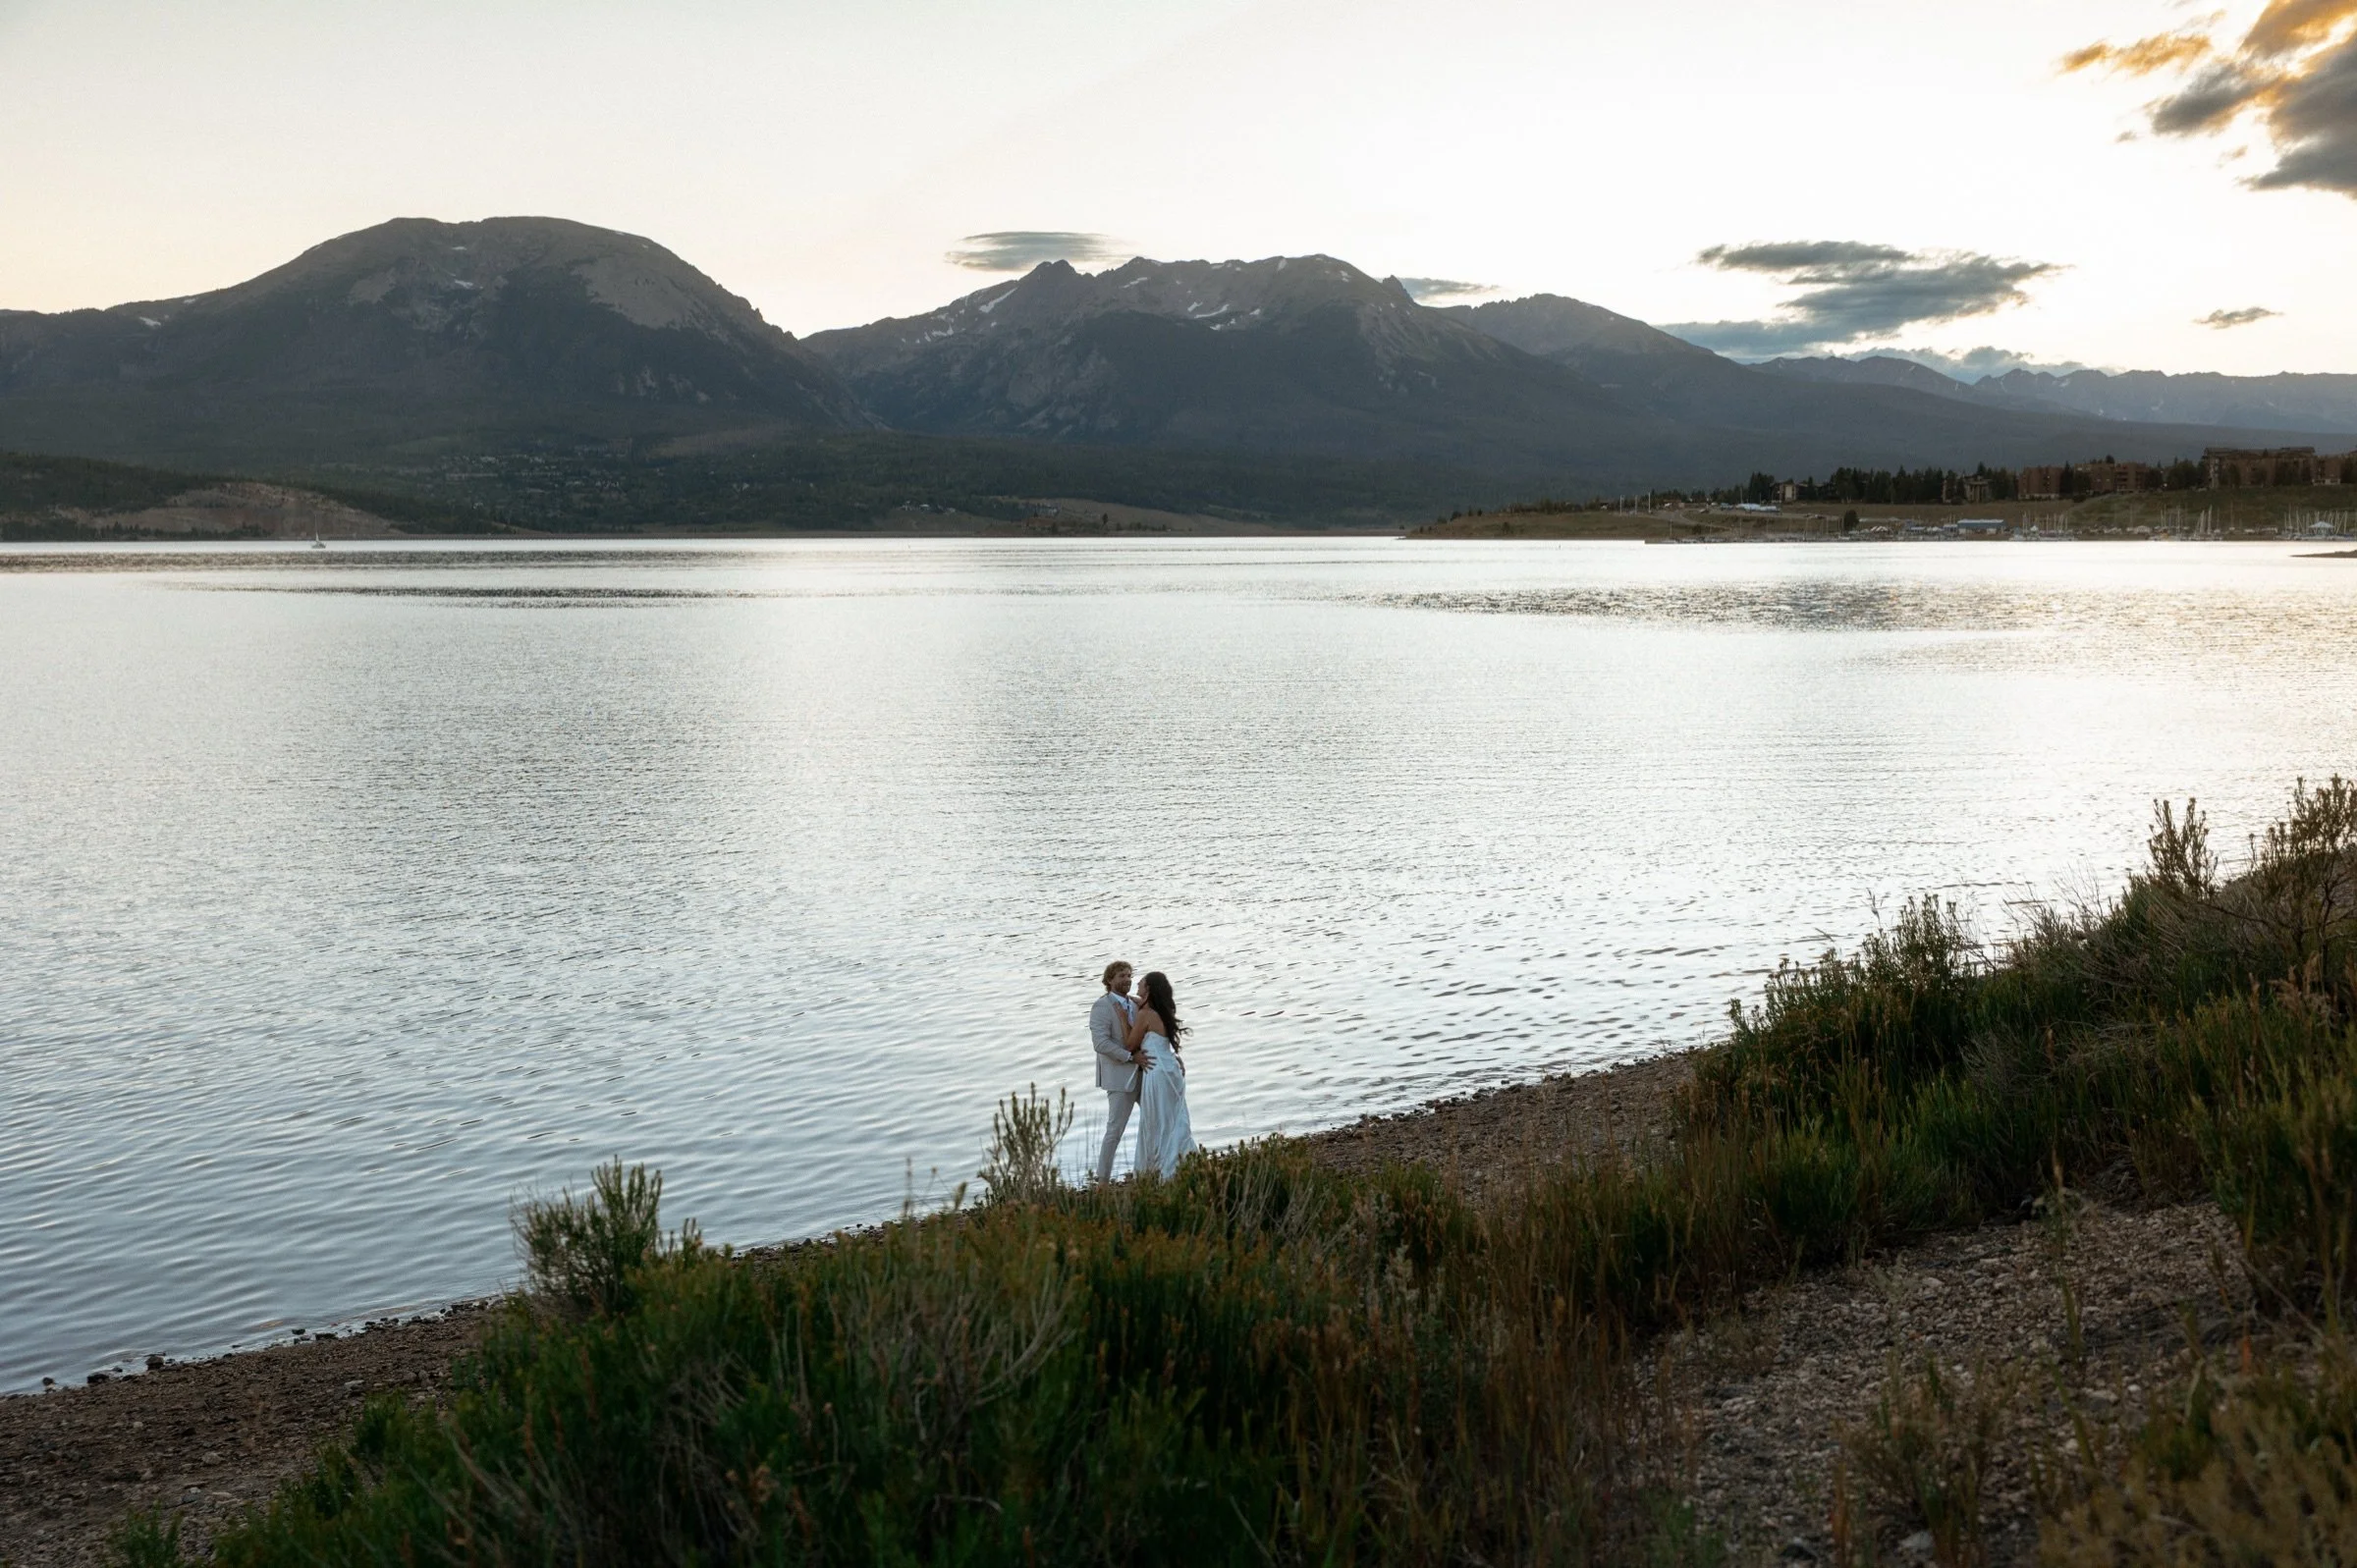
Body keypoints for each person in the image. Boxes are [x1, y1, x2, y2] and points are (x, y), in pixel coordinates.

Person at [1123, 970, 1196, 1177]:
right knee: (1174, 1118)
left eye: (1141, 983)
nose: (1137, 984)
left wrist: (1121, 1018)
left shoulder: (1145, 1015)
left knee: (1157, 1119)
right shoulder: (1161, 1011)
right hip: (1170, 1069)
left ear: (1148, 989)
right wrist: (1128, 998)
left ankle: (1165, 1166)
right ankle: (1182, 1160)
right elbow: (1140, 1001)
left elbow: (1130, 1045)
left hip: (1156, 1072)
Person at [1089, 960, 1146, 1181]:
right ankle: (1102, 1181)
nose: (1127, 980)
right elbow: (1101, 1044)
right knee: (1114, 1131)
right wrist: (1130, 1057)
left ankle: (1150, 1169)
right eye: (1122, 976)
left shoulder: (1136, 1004)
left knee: (1156, 1119)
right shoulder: (1101, 1007)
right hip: (1120, 1078)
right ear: (1109, 979)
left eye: (1129, 975)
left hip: (1145, 1074)